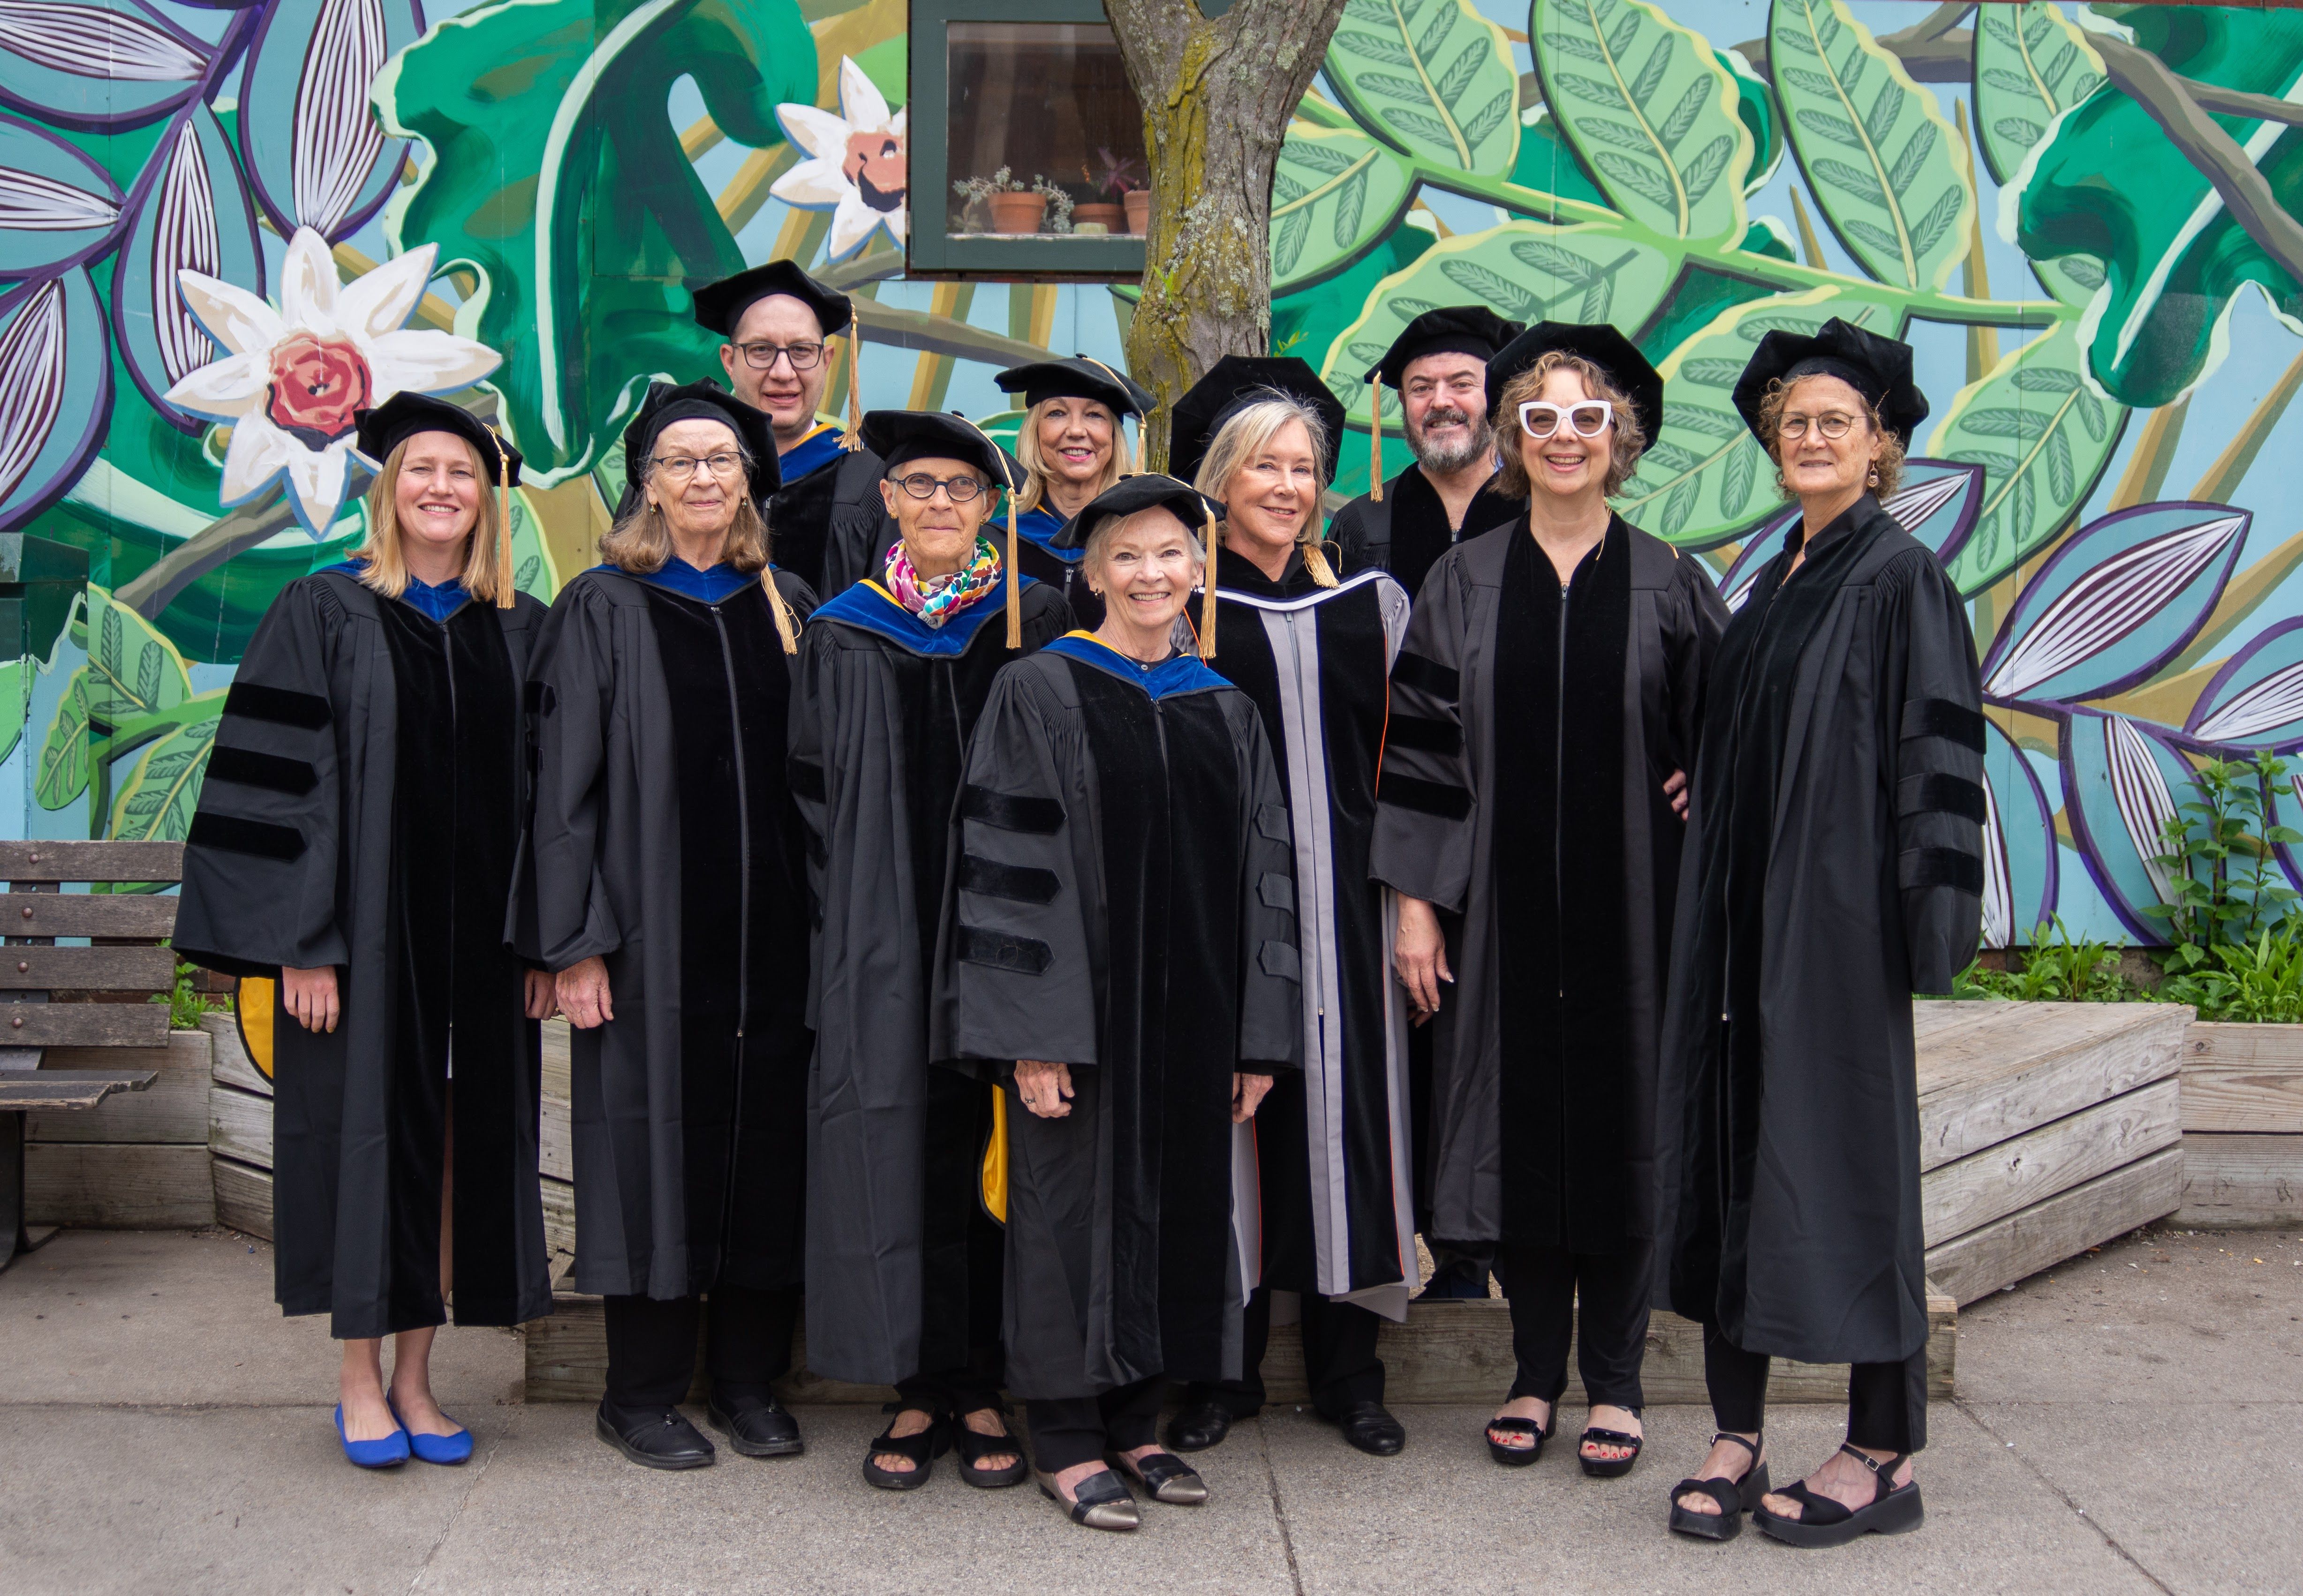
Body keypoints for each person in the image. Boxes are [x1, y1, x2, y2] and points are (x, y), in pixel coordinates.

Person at [1373, 324, 1726, 1479]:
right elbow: (1419, 752)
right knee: (1521, 1136)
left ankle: (1616, 1384)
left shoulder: (1672, 579)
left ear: (1617, 439)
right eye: (1541, 418)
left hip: (1638, 913)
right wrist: (1417, 903)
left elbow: (1724, 733)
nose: (1563, 436)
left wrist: (1700, 774)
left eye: (1586, 419)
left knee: (1621, 1133)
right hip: (1503, 917)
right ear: (1513, 438)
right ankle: (1534, 1373)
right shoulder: (1460, 582)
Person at [174, 393, 553, 1469]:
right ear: (390, 489)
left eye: (463, 472)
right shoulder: (322, 609)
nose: (442, 487)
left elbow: (548, 806)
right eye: (422, 469)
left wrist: (538, 943)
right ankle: (356, 1385)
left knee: (449, 1164)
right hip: (360, 953)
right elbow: (284, 785)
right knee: (364, 1154)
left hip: (479, 958)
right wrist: (305, 940)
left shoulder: (517, 628)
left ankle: (419, 1382)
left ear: (487, 498)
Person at [1656, 318, 1983, 1546]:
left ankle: (1880, 1450)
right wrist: (1709, 776)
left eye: (1832, 421)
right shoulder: (1776, 572)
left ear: (1877, 445)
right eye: (1791, 420)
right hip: (1741, 922)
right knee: (1734, 1155)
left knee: (1850, 1174)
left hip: (1837, 932)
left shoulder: (1899, 578)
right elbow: (1754, 728)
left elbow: (1934, 758)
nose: (1807, 435)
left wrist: (1917, 927)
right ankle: (1734, 1433)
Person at [929, 474, 1301, 1531]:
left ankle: (1141, 1419)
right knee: (1062, 1217)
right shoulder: (1039, 689)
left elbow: (1265, 876)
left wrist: (1257, 1039)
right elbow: (1000, 870)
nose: (1150, 575)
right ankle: (1063, 1434)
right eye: (1125, 557)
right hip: (1076, 1027)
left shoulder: (1222, 706)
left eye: (1169, 555)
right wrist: (1028, 1042)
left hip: (1194, 1024)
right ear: (1090, 575)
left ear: (1198, 571)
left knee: (1178, 1210)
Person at [516, 379, 818, 1471]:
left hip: (778, 944)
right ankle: (639, 1391)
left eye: (722, 460)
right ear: (648, 480)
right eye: (681, 460)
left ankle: (747, 1382)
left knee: (765, 1155)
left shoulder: (783, 598)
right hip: (651, 941)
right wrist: (577, 940)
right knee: (651, 1155)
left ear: (748, 478)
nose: (703, 477)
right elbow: (562, 795)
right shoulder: (605, 604)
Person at [790, 411, 1072, 1493]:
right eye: (921, 486)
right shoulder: (843, 629)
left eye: (964, 488)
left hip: (1005, 936)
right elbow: (808, 792)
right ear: (891, 503)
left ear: (990, 507)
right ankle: (920, 1380)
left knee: (1002, 1153)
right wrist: (845, 930)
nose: (943, 504)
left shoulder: (1034, 615)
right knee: (900, 1150)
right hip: (884, 939)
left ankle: (991, 1376)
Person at [1155, 358, 1416, 1461]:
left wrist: (1413, 906)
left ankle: (1349, 1374)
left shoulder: (1375, 606)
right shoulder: (1176, 612)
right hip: (1223, 917)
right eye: (1263, 462)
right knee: (1233, 1131)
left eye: (1303, 466)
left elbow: (1419, 771)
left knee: (1352, 1130)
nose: (1286, 483)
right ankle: (1224, 1373)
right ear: (1220, 476)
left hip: (1354, 914)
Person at [693, 259, 897, 595]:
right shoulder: (677, 471)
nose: (783, 372)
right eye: (761, 350)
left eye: (801, 351)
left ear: (826, 361)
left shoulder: (872, 479)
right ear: (729, 360)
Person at [1328, 307, 1524, 598]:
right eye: (1422, 388)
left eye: (1462, 384)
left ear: (1496, 395)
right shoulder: (1360, 525)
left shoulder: (1539, 512)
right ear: (1403, 402)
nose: (1441, 401)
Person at [991, 355, 1153, 628]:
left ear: (1113, 436)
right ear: (1035, 432)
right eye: (1057, 413)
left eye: (1095, 415)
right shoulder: (995, 544)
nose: (1077, 430)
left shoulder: (1144, 545)